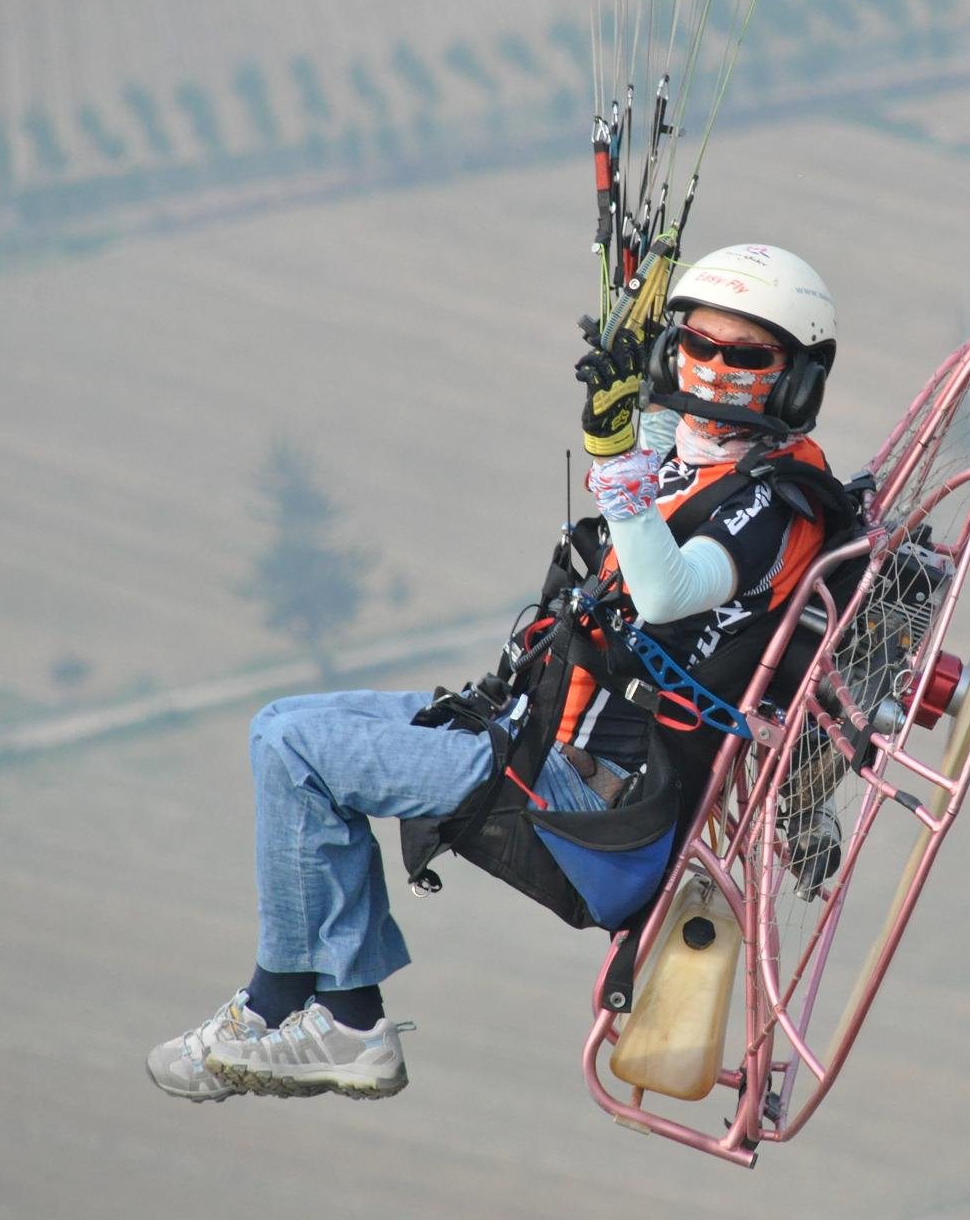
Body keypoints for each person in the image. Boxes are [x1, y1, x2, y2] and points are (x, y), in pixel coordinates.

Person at [148, 244, 842, 1103]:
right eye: (697, 344)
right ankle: (318, 1013)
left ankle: (313, 1014)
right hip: (532, 734)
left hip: (590, 802)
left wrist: (613, 454)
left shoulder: (771, 509)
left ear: (796, 381)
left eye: (747, 356)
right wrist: (632, 367)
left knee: (298, 751)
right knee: (277, 726)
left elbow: (666, 590)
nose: (714, 368)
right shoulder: (702, 458)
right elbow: (658, 436)